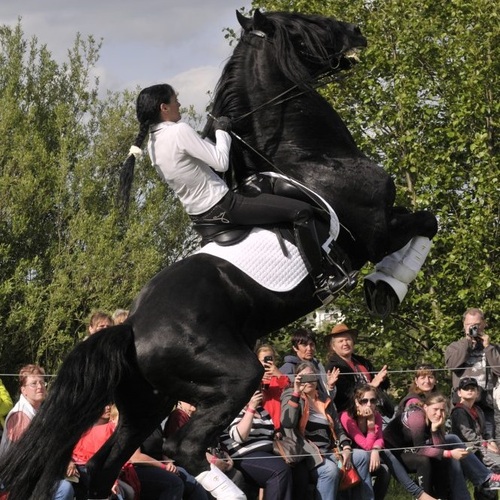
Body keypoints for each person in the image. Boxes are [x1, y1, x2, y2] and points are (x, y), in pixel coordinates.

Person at [120, 83, 355, 297]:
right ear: (164, 108)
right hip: (225, 206)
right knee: (302, 212)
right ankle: (323, 279)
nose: (179, 104)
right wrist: (222, 130)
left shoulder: (152, 144)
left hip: (200, 218)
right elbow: (220, 162)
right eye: (175, 100)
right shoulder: (178, 130)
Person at [281, 361, 372, 500]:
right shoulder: (291, 394)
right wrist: (296, 392)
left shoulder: (325, 399)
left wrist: (346, 447)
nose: (309, 380)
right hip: (308, 453)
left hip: (330, 451)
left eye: (312, 376)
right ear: (297, 378)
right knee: (330, 471)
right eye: (304, 377)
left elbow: (337, 427)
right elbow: (287, 423)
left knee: (362, 457)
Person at [384, 392, 500, 499]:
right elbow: (420, 448)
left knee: (452, 440)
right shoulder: (417, 417)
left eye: (442, 410)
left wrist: (435, 430)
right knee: (431, 458)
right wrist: (449, 453)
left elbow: (439, 451)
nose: (439, 413)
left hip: (410, 449)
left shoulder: (436, 420)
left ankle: (482, 480)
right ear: (425, 407)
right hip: (393, 452)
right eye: (435, 409)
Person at [0, 364, 74, 500]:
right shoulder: (19, 415)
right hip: (16, 477)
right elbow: (28, 457)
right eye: (33, 383)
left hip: (33, 472)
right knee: (63, 489)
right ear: (23, 390)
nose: (40, 386)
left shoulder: (40, 412)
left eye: (41, 382)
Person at [220, 390, 293, 500]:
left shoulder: (262, 411)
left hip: (269, 452)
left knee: (300, 471)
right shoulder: (232, 409)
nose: (258, 392)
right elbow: (239, 437)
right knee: (279, 470)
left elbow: (268, 433)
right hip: (244, 455)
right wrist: (251, 408)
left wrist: (275, 435)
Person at [445, 308, 500, 439]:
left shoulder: (493, 348)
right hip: (462, 405)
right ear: (464, 325)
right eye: (470, 325)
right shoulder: (455, 347)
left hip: (485, 403)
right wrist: (468, 343)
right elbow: (453, 365)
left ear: (484, 324)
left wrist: (488, 348)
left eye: (477, 324)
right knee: (466, 441)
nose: (473, 328)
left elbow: (499, 370)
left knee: (490, 441)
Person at [324, 323, 394, 417]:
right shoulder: (333, 367)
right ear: (333, 346)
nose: (345, 343)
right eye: (340, 341)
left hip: (376, 411)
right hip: (350, 415)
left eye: (348, 339)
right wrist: (372, 385)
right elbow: (344, 395)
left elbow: (383, 386)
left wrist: (383, 378)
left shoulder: (362, 361)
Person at [451, 377, 500, 499]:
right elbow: (468, 434)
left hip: (480, 446)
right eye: (466, 388)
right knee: (495, 465)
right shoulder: (459, 411)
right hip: (468, 449)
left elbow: (484, 431)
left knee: (495, 469)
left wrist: (491, 441)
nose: (470, 391)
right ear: (459, 392)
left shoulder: (478, 410)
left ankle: (487, 492)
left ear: (477, 392)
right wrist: (486, 444)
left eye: (473, 388)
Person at [340, 383, 391, 499]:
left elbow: (380, 439)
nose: (369, 405)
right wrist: (371, 423)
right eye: (364, 401)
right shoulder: (346, 417)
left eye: (373, 401)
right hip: (351, 458)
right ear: (356, 402)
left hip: (369, 456)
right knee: (387, 455)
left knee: (385, 470)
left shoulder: (376, 415)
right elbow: (366, 446)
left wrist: (376, 450)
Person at [279, 328, 334, 400]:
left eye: (311, 344)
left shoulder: (318, 365)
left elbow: (327, 395)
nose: (309, 348)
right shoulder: (288, 367)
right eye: (304, 345)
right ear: (295, 348)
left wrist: (330, 387)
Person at [255, 344, 290, 430]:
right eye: (264, 360)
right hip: (264, 424)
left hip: (282, 422)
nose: (267, 363)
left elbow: (289, 391)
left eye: (270, 359)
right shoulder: (254, 379)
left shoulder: (280, 378)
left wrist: (279, 375)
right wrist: (258, 379)